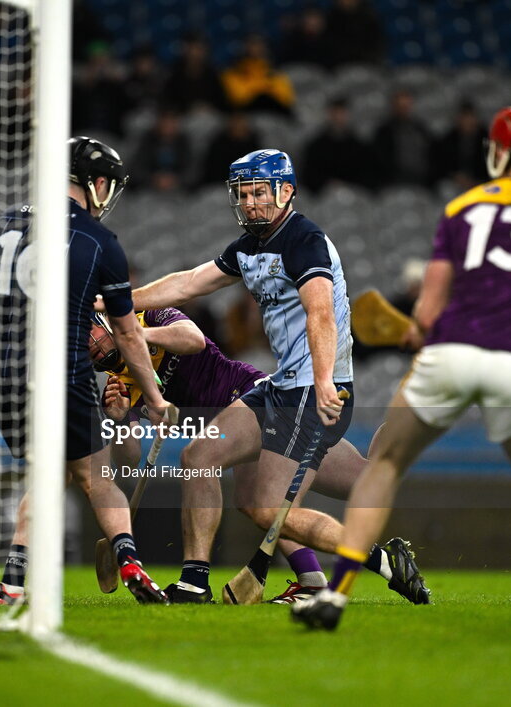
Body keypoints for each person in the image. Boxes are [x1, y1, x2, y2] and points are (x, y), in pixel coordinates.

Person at [292, 103, 511, 633]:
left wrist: (416, 330)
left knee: (384, 464)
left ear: (501, 151)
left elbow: (429, 313)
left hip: (448, 358)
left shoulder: (465, 207)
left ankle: (335, 596)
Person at [114, 149, 430, 605]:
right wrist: (122, 302)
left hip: (311, 390)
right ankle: (194, 581)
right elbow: (187, 283)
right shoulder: (248, 247)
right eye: (242, 194)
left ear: (286, 191)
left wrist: (323, 382)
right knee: (200, 455)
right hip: (282, 386)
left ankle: (381, 560)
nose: (250, 203)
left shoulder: (304, 239)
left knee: (265, 508)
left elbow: (320, 314)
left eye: (259, 192)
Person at [97, 306, 426, 605]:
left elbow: (192, 339)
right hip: (231, 434)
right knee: (352, 483)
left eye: (91, 334)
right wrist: (119, 418)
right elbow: (130, 457)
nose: (92, 346)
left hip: (250, 399)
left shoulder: (150, 317)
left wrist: (136, 336)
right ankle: (337, 572)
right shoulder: (117, 388)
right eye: (83, 347)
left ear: (104, 322)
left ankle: (195, 581)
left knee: (205, 465)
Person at [0, 136, 171, 605]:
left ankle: (11, 583)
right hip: (58, 374)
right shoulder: (99, 239)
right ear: (97, 183)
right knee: (95, 475)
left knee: (52, 473)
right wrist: (155, 398)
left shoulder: (8, 221)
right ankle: (130, 562)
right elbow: (127, 335)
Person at [300, 97, 375, 193]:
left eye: (342, 113)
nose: (338, 117)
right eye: (335, 113)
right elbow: (309, 176)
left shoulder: (360, 147)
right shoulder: (315, 146)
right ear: (329, 114)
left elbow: (367, 176)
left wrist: (348, 185)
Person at [372, 89, 434, 189]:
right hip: (393, 181)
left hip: (420, 180)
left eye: (406, 106)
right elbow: (379, 160)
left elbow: (429, 155)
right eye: (400, 106)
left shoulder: (420, 129)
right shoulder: (384, 131)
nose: (403, 109)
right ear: (394, 106)